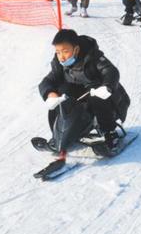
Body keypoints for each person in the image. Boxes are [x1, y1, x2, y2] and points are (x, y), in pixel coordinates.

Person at [34, 29, 131, 162]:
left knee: (96, 94)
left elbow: (111, 71)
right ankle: (60, 135)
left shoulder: (92, 57)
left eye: (65, 51)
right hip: (82, 99)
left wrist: (107, 87)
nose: (61, 56)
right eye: (58, 52)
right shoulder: (59, 63)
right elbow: (47, 81)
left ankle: (110, 133)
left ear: (76, 49)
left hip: (108, 100)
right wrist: (50, 94)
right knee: (62, 91)